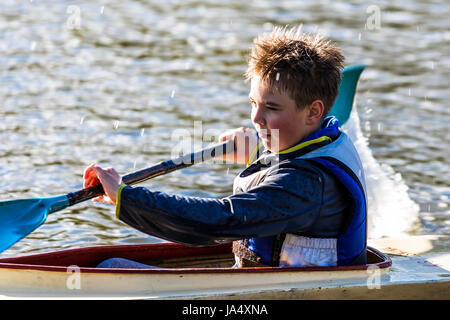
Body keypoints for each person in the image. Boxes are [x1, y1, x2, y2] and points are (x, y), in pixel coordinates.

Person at [84, 26, 367, 269]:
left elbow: (220, 221)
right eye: (253, 103)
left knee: (109, 268)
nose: (256, 118)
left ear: (313, 111)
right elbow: (294, 163)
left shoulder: (304, 183)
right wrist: (257, 152)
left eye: (271, 107)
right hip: (270, 278)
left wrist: (128, 197)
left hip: (286, 292)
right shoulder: (329, 136)